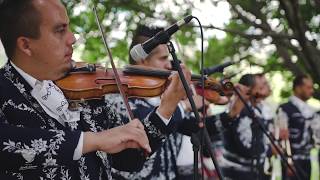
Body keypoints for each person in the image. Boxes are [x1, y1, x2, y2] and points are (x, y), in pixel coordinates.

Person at [0, 0, 189, 179]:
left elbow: (131, 158)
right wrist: (93, 140)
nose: (72, 38)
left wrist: (166, 108)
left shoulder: (86, 89)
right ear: (26, 45)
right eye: (60, 30)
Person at [110, 25, 232, 180]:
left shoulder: (161, 96)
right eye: (162, 58)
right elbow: (146, 131)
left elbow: (196, 128)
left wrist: (230, 115)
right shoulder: (119, 97)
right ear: (141, 59)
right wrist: (183, 105)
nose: (169, 64)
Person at [221, 73, 271, 180]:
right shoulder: (241, 111)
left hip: (253, 170)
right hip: (239, 172)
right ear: (248, 91)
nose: (264, 91)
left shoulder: (256, 109)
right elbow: (246, 148)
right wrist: (269, 150)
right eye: (260, 88)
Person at [277, 75, 320, 180]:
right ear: (298, 88)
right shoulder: (285, 109)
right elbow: (281, 139)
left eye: (312, 87)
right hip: (291, 161)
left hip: (307, 159)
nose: (311, 91)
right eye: (308, 87)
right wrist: (288, 161)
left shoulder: (312, 111)